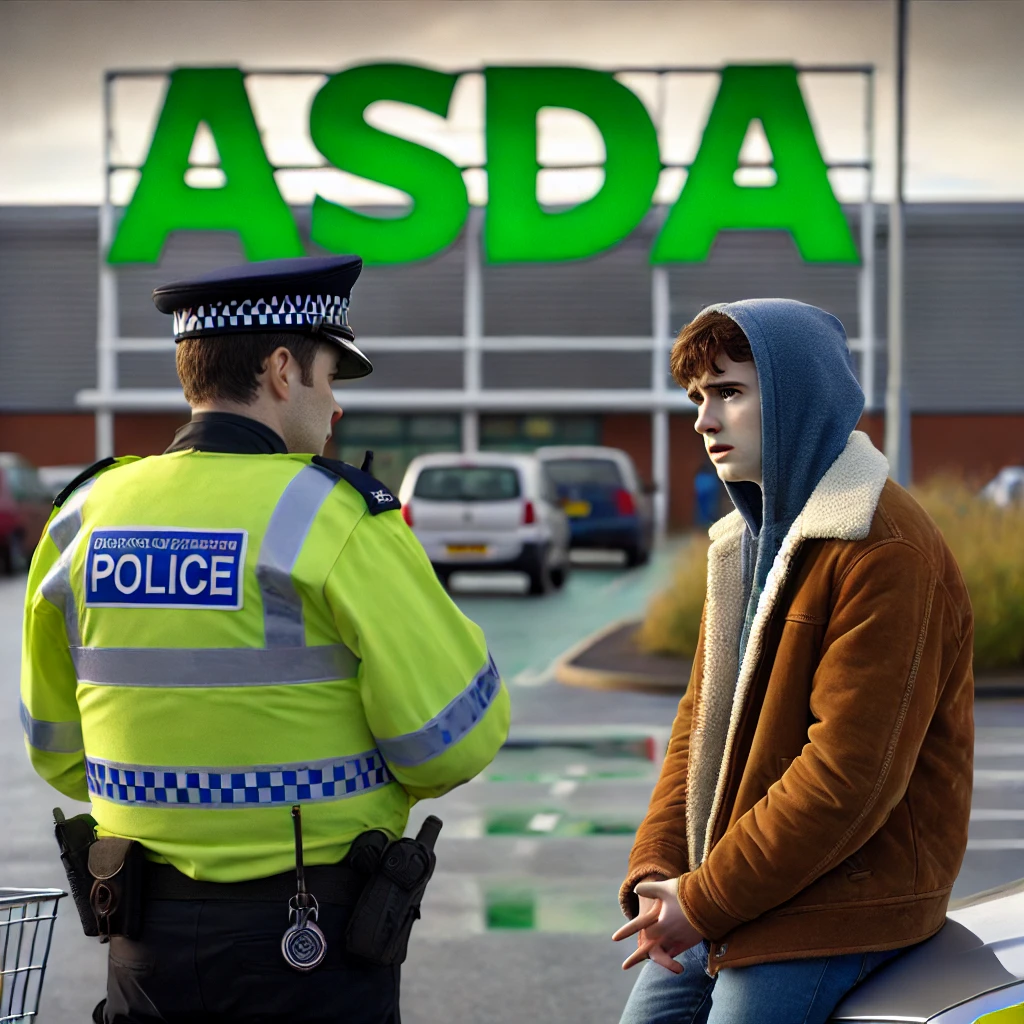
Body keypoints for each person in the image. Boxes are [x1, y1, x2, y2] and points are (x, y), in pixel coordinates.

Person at [20, 255, 511, 1024]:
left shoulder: (84, 514)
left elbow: (56, 749)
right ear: (282, 370)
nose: (334, 406)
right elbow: (451, 739)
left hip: (141, 939)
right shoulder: (336, 515)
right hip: (309, 940)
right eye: (328, 376)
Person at [612, 300, 974, 1024]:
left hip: (849, 898)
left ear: (796, 395)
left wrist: (706, 899)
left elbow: (848, 776)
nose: (703, 421)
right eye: (697, 398)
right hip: (743, 884)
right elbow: (698, 728)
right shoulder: (743, 544)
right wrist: (659, 871)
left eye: (730, 393)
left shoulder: (882, 546)